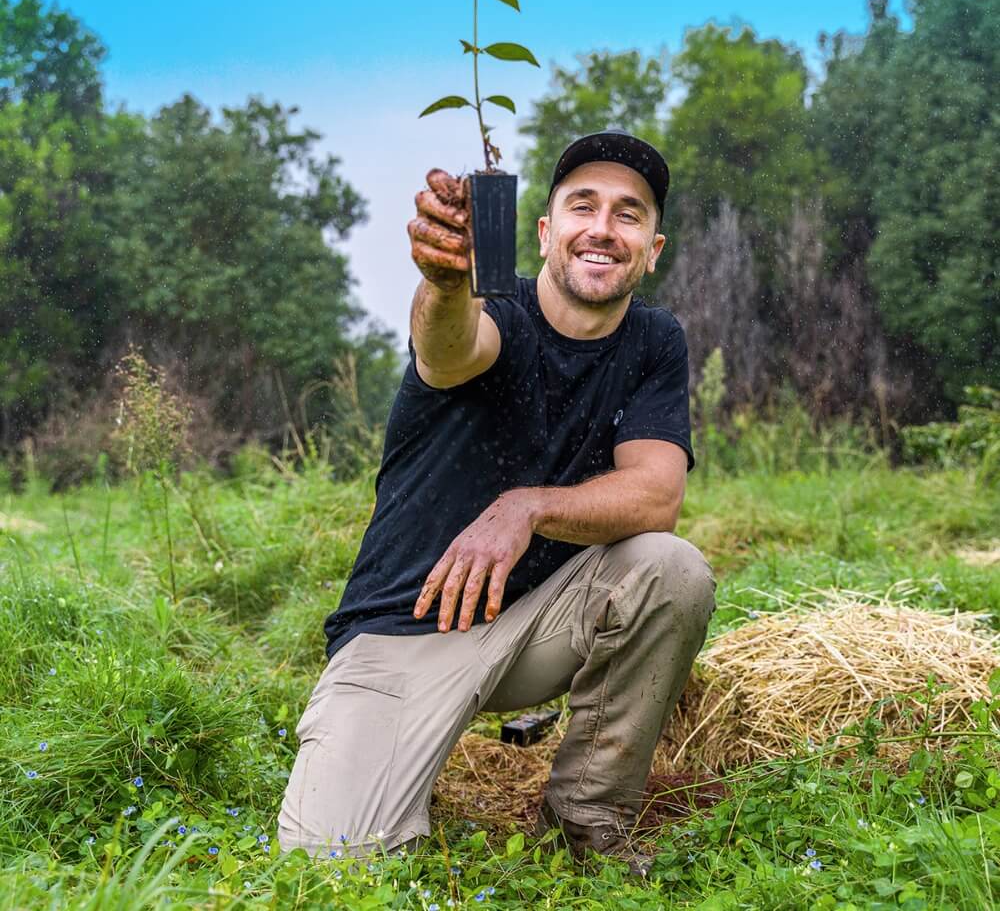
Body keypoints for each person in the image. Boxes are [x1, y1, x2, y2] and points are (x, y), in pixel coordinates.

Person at [278, 128, 716, 875]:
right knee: (335, 863)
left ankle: (586, 813)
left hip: (535, 628)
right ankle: (377, 757)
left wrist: (529, 507)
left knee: (669, 569)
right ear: (546, 232)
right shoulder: (494, 311)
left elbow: (657, 493)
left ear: (653, 247)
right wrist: (447, 282)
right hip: (404, 631)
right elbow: (449, 347)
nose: (603, 228)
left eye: (629, 213)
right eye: (583, 206)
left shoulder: (654, 341)